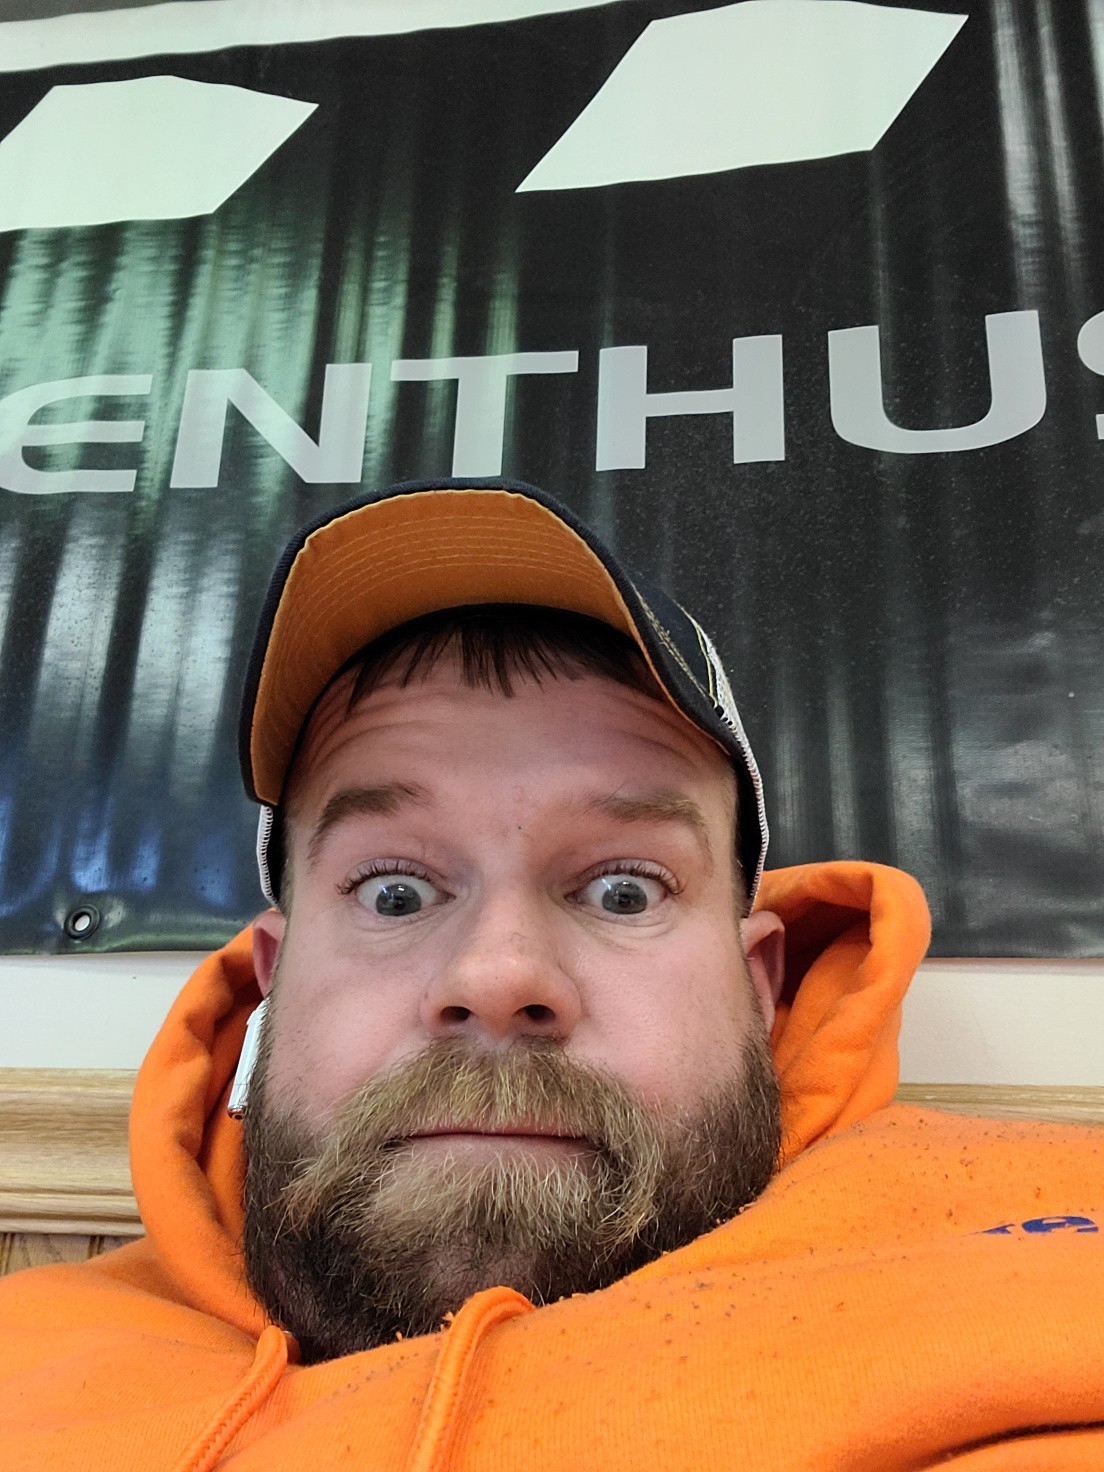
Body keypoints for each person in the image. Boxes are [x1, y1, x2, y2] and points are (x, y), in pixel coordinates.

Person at [2, 477, 1103, 1471]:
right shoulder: (25, 1365)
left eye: (623, 890)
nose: (498, 975)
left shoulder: (1055, 1255)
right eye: (395, 893)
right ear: (274, 984)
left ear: (760, 985)